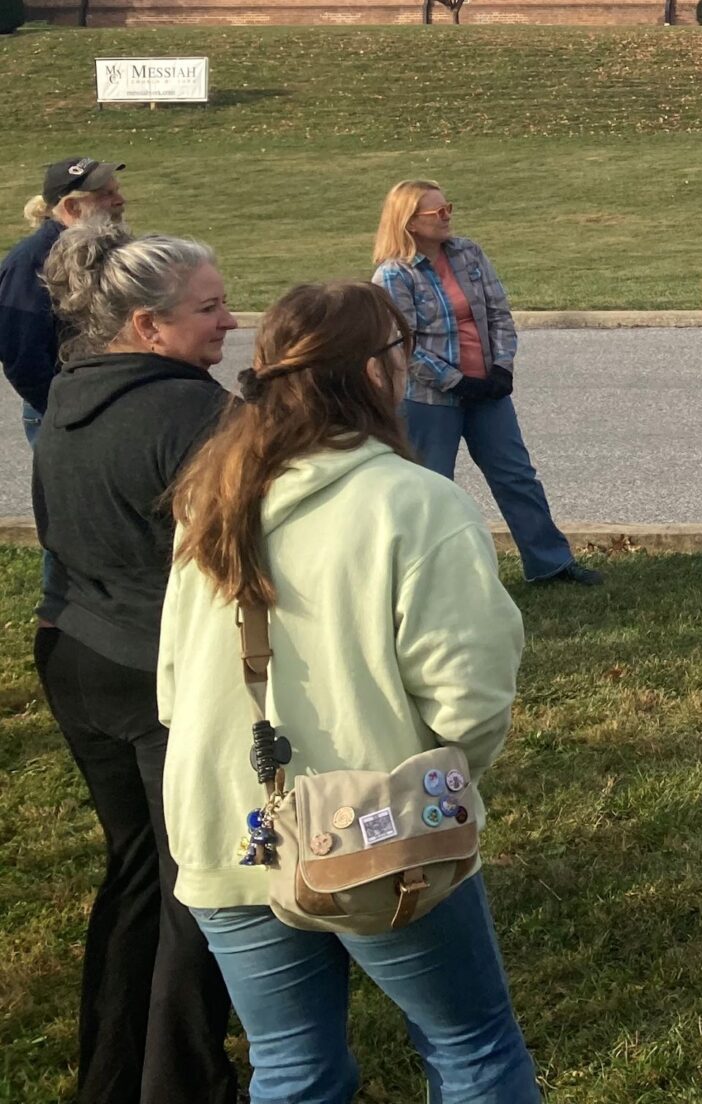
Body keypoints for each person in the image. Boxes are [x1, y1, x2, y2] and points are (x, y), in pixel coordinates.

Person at [158, 281, 535, 1103]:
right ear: (373, 373)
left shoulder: (210, 494)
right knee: (471, 1048)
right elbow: (469, 697)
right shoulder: (414, 503)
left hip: (225, 821)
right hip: (380, 824)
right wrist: (434, 786)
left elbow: (173, 682)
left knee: (292, 1068)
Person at [31, 222, 239, 1104]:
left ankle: (109, 1079)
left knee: (139, 872)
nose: (231, 320)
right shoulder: (194, 413)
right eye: (209, 308)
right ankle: (181, 1085)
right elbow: (241, 553)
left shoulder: (71, 395)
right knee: (203, 880)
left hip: (76, 655)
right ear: (148, 328)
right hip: (159, 674)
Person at [372, 181, 599, 587]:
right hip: (428, 399)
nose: (447, 217)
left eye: (448, 208)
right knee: (432, 488)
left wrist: (502, 370)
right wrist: (455, 382)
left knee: (516, 476)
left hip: (488, 392)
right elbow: (400, 345)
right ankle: (427, 580)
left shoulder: (468, 253)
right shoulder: (393, 276)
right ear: (409, 222)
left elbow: (498, 312)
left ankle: (550, 564)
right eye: (436, 212)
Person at [3, 156, 126, 443]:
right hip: (69, 410)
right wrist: (63, 408)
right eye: (106, 194)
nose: (120, 200)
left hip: (109, 400)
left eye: (117, 190)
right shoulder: (32, 260)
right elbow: (21, 354)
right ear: (72, 206)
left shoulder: (109, 248)